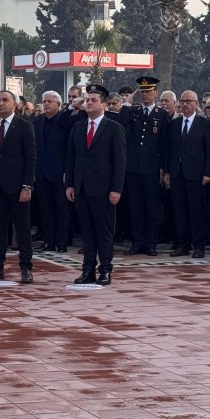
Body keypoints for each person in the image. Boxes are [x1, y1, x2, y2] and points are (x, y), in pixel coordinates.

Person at [66, 84, 127, 285]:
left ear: (104, 106)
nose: (89, 103)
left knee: (104, 232)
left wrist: (116, 189)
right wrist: (71, 184)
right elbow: (72, 158)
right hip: (82, 187)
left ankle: (106, 270)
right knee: (87, 232)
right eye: (87, 100)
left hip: (104, 189)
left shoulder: (114, 128)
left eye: (93, 100)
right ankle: (87, 270)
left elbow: (119, 162)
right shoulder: (78, 127)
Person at [0, 90, 36, 283]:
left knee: (22, 227)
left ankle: (26, 268)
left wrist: (27, 186)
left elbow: (30, 158)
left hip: (18, 184)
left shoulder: (24, 126)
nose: (0, 103)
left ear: (15, 104)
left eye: (5, 100)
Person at [122, 76, 171, 256]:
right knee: (135, 207)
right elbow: (121, 125)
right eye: (142, 92)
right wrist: (126, 105)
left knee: (151, 207)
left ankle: (151, 243)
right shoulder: (133, 112)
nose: (145, 95)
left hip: (152, 168)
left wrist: (164, 169)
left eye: (148, 92)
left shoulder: (161, 114)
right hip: (133, 167)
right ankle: (137, 242)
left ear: (155, 93)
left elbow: (165, 144)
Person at [163, 90, 210, 259]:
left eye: (188, 101)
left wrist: (208, 172)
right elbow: (169, 149)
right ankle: (182, 244)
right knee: (179, 210)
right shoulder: (174, 124)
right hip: (177, 174)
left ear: (196, 103)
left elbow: (209, 150)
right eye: (182, 101)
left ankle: (198, 245)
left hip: (196, 174)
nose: (185, 104)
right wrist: (167, 171)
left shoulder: (204, 124)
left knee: (196, 211)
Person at [33, 91, 81, 253]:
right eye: (44, 101)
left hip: (60, 173)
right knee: (45, 209)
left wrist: (68, 172)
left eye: (50, 102)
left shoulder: (65, 120)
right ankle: (48, 241)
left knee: (62, 209)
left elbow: (69, 150)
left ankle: (61, 241)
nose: (46, 104)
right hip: (41, 172)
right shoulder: (37, 121)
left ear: (59, 105)